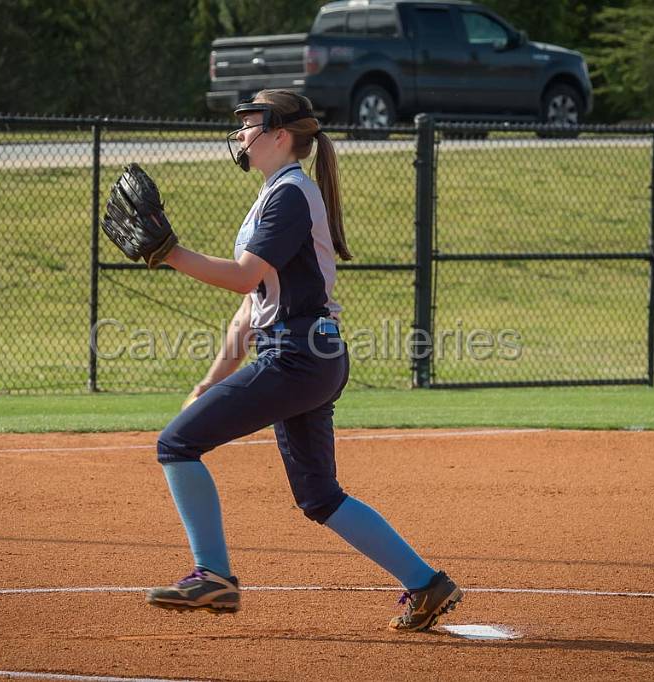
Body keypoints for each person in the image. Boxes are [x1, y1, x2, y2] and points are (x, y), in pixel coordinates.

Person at [146, 89, 462, 631]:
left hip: (297, 356)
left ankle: (213, 577)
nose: (241, 132)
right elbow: (251, 309)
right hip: (307, 355)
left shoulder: (290, 194)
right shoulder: (275, 194)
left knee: (176, 444)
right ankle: (426, 584)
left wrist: (171, 253)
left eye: (251, 123)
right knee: (319, 496)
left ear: (280, 135)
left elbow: (244, 277)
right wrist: (208, 381)